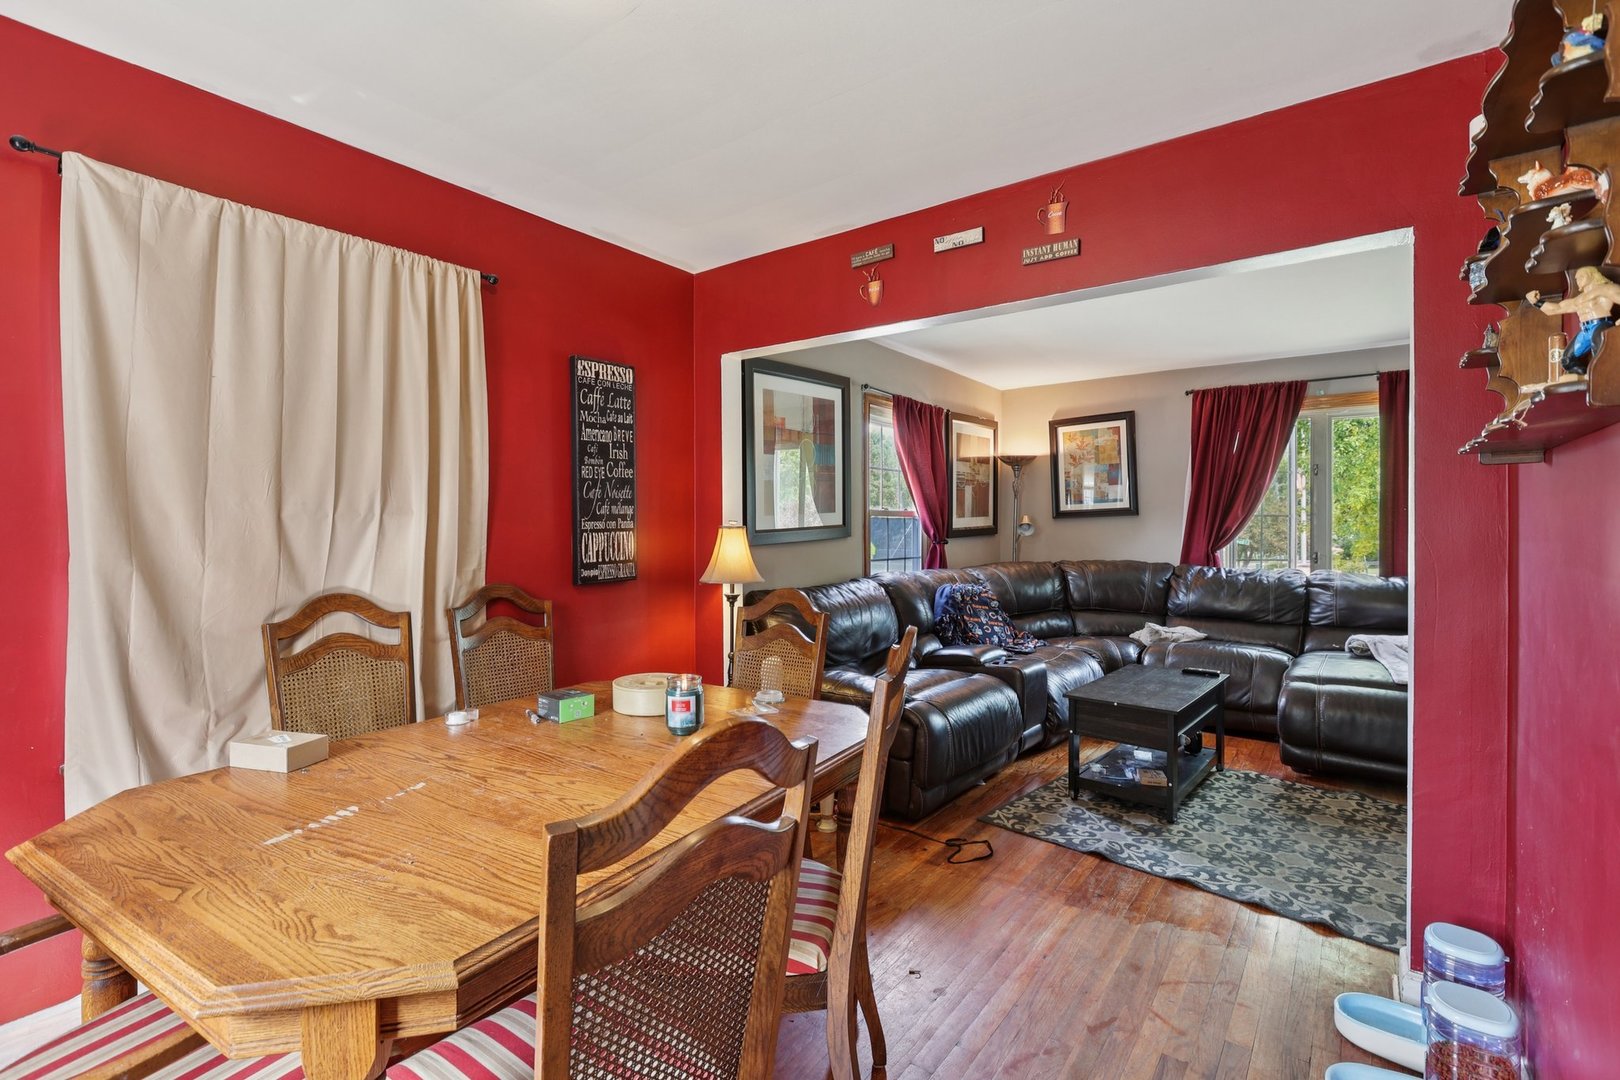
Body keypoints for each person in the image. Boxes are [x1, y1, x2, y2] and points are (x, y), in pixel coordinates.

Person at [1527, 266, 1620, 373]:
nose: (1578, 279)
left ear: (1591, 274)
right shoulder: (1579, 299)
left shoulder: (1605, 289)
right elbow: (1556, 309)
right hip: (1585, 330)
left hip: (1601, 325)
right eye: (1576, 278)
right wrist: (1536, 302)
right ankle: (1587, 378)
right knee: (1567, 360)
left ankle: (1604, 375)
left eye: (1581, 276)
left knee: (1600, 352)